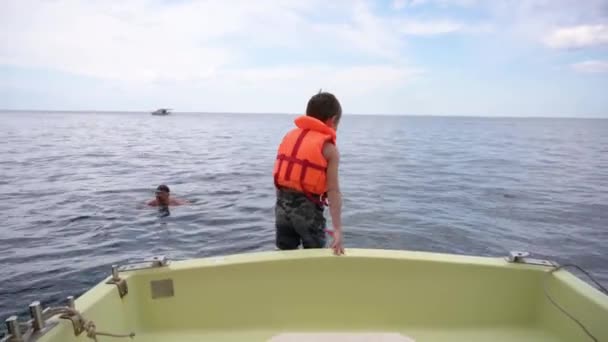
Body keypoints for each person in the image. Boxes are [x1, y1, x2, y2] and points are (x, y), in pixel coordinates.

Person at [273, 91, 344, 255]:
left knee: (284, 254)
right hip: (308, 213)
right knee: (315, 257)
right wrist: (338, 229)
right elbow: (333, 191)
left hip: (281, 209)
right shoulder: (329, 149)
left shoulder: (289, 137)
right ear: (332, 120)